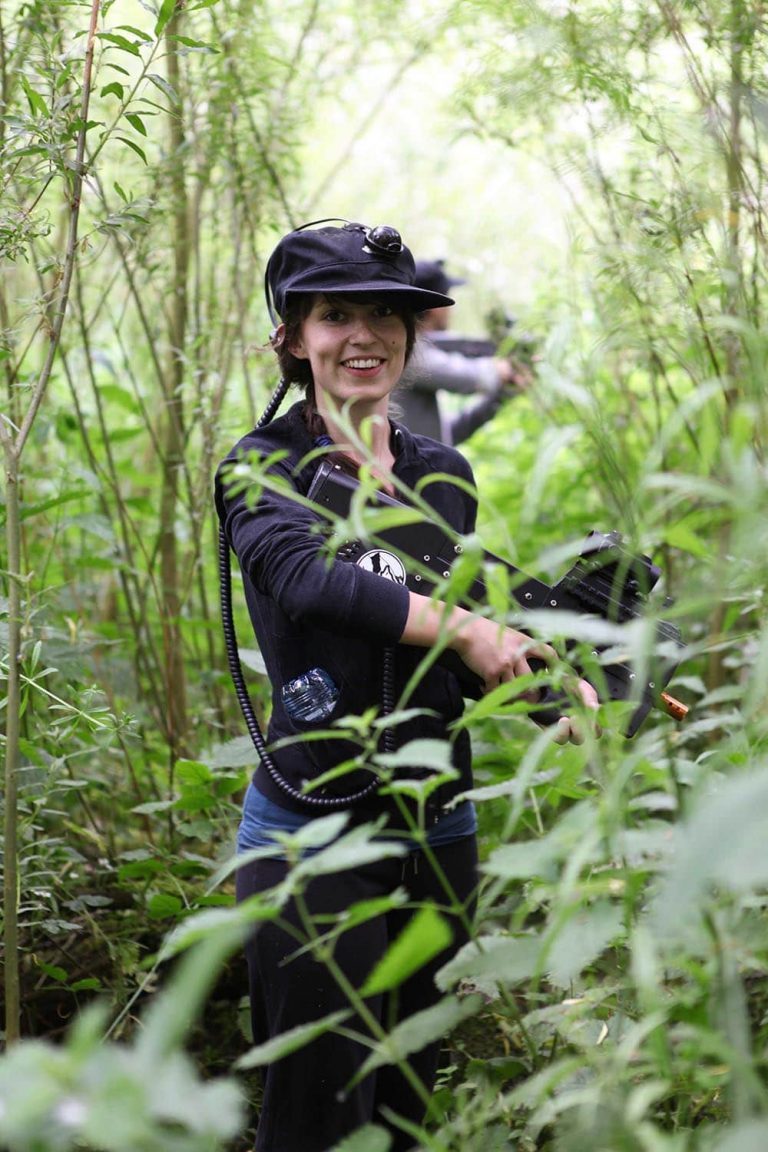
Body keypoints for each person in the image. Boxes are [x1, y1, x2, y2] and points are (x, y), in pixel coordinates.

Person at [215, 220, 598, 1152]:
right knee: (313, 1114)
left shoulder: (442, 473)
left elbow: (444, 638)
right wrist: (470, 629)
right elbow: (307, 581)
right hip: (310, 829)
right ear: (291, 337)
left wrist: (539, 684)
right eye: (335, 314)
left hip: (437, 826)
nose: (365, 335)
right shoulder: (260, 467)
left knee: (405, 1103)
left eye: (387, 315)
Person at [396, 258, 528, 445]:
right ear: (436, 307)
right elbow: (471, 376)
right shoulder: (405, 352)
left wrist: (501, 394)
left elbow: (444, 437)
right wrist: (504, 368)